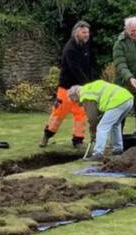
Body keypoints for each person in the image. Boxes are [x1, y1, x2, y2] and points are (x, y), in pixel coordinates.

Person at [40, 21, 96, 149]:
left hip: (81, 88)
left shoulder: (86, 46)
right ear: (76, 32)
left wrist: (91, 83)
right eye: (84, 32)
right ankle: (47, 135)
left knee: (81, 114)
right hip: (66, 87)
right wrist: (87, 85)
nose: (87, 35)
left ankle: (78, 141)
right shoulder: (69, 48)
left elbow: (89, 66)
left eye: (87, 32)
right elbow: (75, 69)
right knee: (58, 114)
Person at [68, 79, 133, 161]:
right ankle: (118, 150)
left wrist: (93, 133)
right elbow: (98, 109)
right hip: (128, 99)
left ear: (76, 96)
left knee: (102, 127)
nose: (79, 104)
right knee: (115, 124)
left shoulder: (86, 96)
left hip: (117, 101)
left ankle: (98, 153)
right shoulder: (90, 88)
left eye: (77, 101)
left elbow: (92, 119)